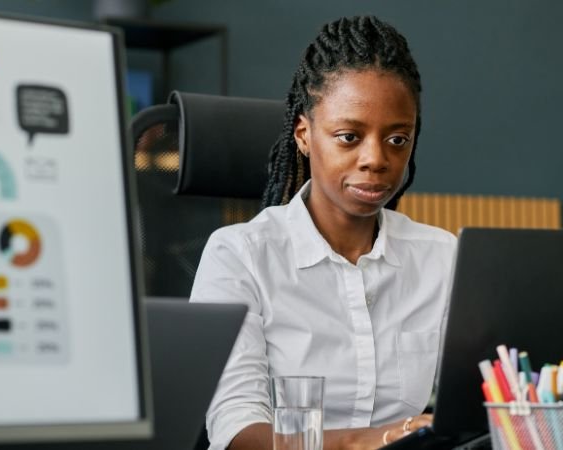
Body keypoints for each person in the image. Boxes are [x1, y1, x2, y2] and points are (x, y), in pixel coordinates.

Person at [190, 15, 457, 450]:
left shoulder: (442, 257)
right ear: (304, 135)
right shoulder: (240, 256)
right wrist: (371, 440)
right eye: (349, 136)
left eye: (397, 140)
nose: (376, 159)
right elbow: (237, 433)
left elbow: (476, 408)